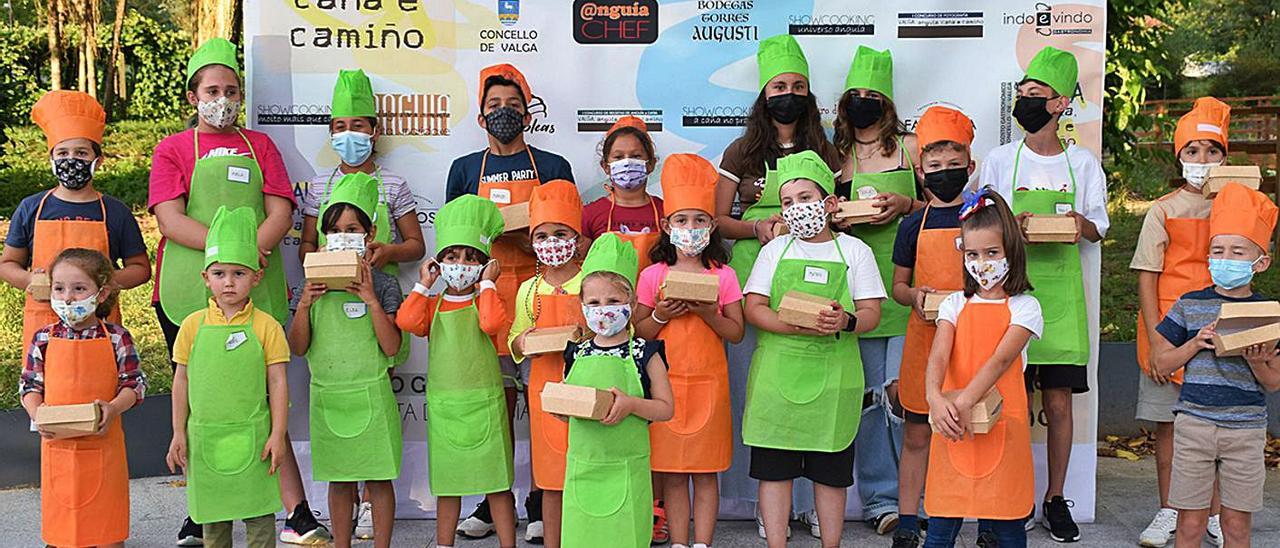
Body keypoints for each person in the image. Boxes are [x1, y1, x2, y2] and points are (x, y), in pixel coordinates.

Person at [148, 38, 325, 546]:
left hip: (256, 282)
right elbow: (169, 217)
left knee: (265, 402)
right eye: (212, 89)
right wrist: (229, 254)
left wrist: (248, 255)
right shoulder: (174, 149)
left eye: (231, 90)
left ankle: (294, 510)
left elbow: (281, 211)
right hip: (190, 289)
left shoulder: (260, 146)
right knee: (204, 403)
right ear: (192, 96)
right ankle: (201, 511)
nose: (222, 98)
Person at [715, 33, 842, 538]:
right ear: (763, 93)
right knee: (760, 393)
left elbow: (840, 215)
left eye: (797, 86)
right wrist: (759, 228)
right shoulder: (741, 150)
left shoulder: (825, 148)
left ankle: (813, 502)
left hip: (816, 275)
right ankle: (763, 503)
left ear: (809, 95)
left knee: (816, 392)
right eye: (778, 85)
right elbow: (718, 220)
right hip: (755, 278)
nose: (788, 93)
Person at [980, 45, 1108, 542]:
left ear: (1059, 105)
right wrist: (1012, 226)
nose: (1027, 100)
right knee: (1006, 405)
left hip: (1060, 299)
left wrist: (1077, 222)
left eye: (1037, 94)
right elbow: (979, 219)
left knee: (1057, 405)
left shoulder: (1083, 163)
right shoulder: (999, 159)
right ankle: (1003, 501)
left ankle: (1055, 498)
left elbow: (1098, 225)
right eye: (1023, 92)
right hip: (1008, 296)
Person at [445, 64, 574, 541]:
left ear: (528, 113)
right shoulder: (463, 170)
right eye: (494, 106)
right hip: (486, 301)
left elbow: (570, 236)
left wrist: (531, 242)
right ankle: (490, 499)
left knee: (544, 403)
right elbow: (455, 241)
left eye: (513, 106)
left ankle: (543, 499)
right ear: (480, 116)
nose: (504, 113)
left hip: (543, 299)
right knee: (494, 406)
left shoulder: (554, 166)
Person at [741, 150, 883, 548]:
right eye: (788, 202)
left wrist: (845, 321)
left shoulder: (855, 252)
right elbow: (753, 307)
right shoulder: (774, 251)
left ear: (830, 203)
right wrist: (793, 322)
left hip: (834, 381)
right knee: (774, 472)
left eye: (805, 198)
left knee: (830, 473)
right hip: (777, 377)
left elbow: (871, 311)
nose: (796, 208)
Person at [1150, 183, 1280, 548]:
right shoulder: (1190, 304)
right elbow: (1161, 361)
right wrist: (1195, 343)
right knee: (1189, 524)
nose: (1226, 258)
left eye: (1238, 251)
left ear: (1261, 262)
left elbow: (1273, 382)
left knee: (1236, 527)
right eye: (1218, 250)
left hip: (1246, 431)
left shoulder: (1268, 315)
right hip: (1194, 425)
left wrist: (1256, 362)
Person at [1130, 97, 1230, 547]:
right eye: (1193, 151)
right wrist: (1156, 342)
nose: (1202, 161)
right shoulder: (1161, 210)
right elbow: (1147, 280)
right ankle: (1170, 507)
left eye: (1212, 151)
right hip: (1168, 331)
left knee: (1215, 425)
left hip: (1221, 333)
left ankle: (1212, 513)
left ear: (1226, 157)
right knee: (1168, 425)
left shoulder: (1235, 208)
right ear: (1179, 156)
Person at [633, 154, 746, 548]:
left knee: (706, 470)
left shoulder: (724, 275)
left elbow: (735, 331)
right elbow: (641, 330)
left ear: (712, 225)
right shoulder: (652, 276)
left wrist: (707, 313)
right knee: (674, 471)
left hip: (710, 386)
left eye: (699, 220)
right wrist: (662, 314)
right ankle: (680, 542)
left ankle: (703, 543)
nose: (690, 228)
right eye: (682, 221)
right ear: (667, 226)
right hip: (666, 387)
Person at [396, 194, 519, 548]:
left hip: (484, 405)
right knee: (447, 486)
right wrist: (423, 283)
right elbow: (406, 320)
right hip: (446, 410)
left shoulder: (485, 300)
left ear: (483, 264)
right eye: (452, 256)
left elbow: (493, 324)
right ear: (439, 261)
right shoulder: (433, 304)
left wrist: (489, 284)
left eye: (470, 258)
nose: (460, 264)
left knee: (497, 483)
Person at [288, 173, 404, 548]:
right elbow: (299, 347)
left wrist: (370, 298)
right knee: (339, 479)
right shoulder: (313, 284)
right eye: (334, 229)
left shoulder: (385, 284)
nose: (342, 235)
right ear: (323, 236)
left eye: (351, 228)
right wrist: (305, 303)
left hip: (371, 394)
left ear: (369, 234)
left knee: (378, 477)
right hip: (329, 396)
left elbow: (391, 347)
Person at [833, 45, 922, 536]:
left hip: (906, 284)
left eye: (873, 94)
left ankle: (917, 498)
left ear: (887, 101)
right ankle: (881, 500)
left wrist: (904, 201)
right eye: (856, 95)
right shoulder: (835, 154)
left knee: (904, 396)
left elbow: (947, 205)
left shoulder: (910, 148)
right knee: (868, 401)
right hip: (857, 288)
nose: (863, 102)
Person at [923, 188, 1042, 548]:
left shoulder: (1026, 307)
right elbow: (938, 356)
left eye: (992, 253)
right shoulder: (954, 305)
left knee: (1007, 523)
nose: (982, 262)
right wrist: (935, 399)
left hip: (999, 424)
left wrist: (959, 403)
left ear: (1011, 252)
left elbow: (1000, 361)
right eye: (973, 254)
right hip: (952, 424)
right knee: (942, 524)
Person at [165, 206, 291, 548]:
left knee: (259, 517)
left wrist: (277, 433)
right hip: (204, 438)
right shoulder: (192, 326)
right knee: (214, 524)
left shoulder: (267, 326)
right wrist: (179, 431)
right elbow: (182, 381)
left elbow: (278, 382)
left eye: (239, 273)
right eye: (219, 273)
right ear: (206, 277)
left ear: (256, 277)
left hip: (253, 437)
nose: (229, 282)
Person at [1, 90, 150, 351]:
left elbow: (140, 268)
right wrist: (33, 283)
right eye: (62, 153)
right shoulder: (31, 208)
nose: (71, 161)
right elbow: (8, 263)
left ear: (98, 161)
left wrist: (103, 285)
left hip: (101, 322)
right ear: (51, 159)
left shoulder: (115, 212)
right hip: (43, 323)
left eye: (81, 154)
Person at [889, 107, 975, 548]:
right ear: (921, 171)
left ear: (970, 167)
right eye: (935, 167)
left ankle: (960, 520)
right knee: (918, 435)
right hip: (924, 344)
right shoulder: (910, 225)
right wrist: (916, 296)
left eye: (954, 165)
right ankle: (908, 521)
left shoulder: (984, 217)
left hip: (974, 345)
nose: (944, 173)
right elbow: (897, 287)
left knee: (966, 436)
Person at [20, 248, 145, 548]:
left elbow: (135, 384)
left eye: (79, 289)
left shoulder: (117, 338)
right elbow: (29, 386)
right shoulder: (43, 338)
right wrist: (39, 415)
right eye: (59, 289)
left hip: (105, 443)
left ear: (101, 294)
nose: (68, 298)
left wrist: (113, 408)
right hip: (58, 446)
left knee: (107, 530)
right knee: (63, 528)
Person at [559, 233, 676, 548]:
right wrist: (560, 406)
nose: (603, 310)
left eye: (614, 301)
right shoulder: (576, 353)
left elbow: (666, 408)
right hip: (582, 468)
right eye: (594, 303)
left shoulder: (644, 353)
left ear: (633, 303)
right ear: (582, 306)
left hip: (627, 470)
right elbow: (568, 409)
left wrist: (631, 405)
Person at [508, 180, 587, 548]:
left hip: (587, 387)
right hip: (545, 391)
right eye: (543, 235)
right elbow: (515, 339)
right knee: (552, 477)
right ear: (532, 241)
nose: (552, 242)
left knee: (585, 472)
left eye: (561, 233)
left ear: (577, 237)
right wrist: (525, 341)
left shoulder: (592, 281)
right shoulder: (529, 288)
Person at [299, 68, 426, 276]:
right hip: (328, 291)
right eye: (340, 127)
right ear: (331, 134)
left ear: (375, 132)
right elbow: (306, 243)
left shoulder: (394, 184)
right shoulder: (319, 185)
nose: (348, 133)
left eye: (358, 126)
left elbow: (416, 246)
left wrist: (390, 251)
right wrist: (317, 258)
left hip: (379, 291)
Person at [582, 116, 664, 272]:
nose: (627, 163)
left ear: (651, 164)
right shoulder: (590, 214)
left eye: (636, 156)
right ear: (606, 166)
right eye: (618, 157)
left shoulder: (666, 212)